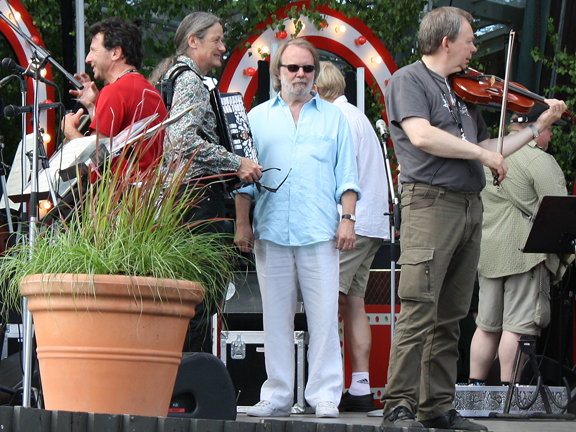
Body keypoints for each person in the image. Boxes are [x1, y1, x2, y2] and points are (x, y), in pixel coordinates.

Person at [381, 6, 566, 430]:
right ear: (446, 42)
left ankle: (438, 406)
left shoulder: (460, 91)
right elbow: (422, 135)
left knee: (451, 315)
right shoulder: (409, 79)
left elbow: (492, 146)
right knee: (418, 309)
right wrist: (483, 154)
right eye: (469, 40)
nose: (475, 49)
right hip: (430, 204)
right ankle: (399, 406)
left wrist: (537, 127)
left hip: (468, 205)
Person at [234, 39, 360, 419]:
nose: (301, 75)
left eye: (307, 68)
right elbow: (243, 180)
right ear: (278, 73)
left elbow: (348, 174)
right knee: (274, 318)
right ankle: (276, 395)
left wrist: (347, 218)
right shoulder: (256, 117)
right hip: (270, 229)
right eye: (293, 68)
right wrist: (242, 222)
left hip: (320, 230)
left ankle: (324, 394)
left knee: (323, 316)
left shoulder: (335, 117)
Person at [148, 12, 262, 352]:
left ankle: (179, 384)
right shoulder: (190, 81)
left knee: (184, 298)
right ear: (193, 40)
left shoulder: (172, 76)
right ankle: (191, 383)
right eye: (217, 40)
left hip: (178, 201)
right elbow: (181, 140)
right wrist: (236, 162)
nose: (224, 47)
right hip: (197, 203)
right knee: (200, 297)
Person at [469, 105, 568, 387]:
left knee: (486, 327)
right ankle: (508, 393)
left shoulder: (485, 155)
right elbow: (559, 210)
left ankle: (475, 388)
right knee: (517, 328)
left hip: (488, 252)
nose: (549, 136)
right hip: (525, 255)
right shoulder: (539, 161)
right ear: (534, 127)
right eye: (549, 129)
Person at [315, 61, 389, 412]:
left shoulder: (337, 119)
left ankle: (324, 387)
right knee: (353, 302)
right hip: (373, 222)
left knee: (327, 300)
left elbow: (338, 175)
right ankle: (360, 387)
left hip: (352, 222)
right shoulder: (357, 116)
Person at [62, 17, 166, 172]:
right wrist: (92, 107)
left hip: (124, 193)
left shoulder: (114, 91)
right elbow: (113, 147)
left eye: (93, 50)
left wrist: (70, 133)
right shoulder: (150, 91)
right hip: (152, 191)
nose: (88, 59)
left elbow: (96, 162)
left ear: (116, 53)